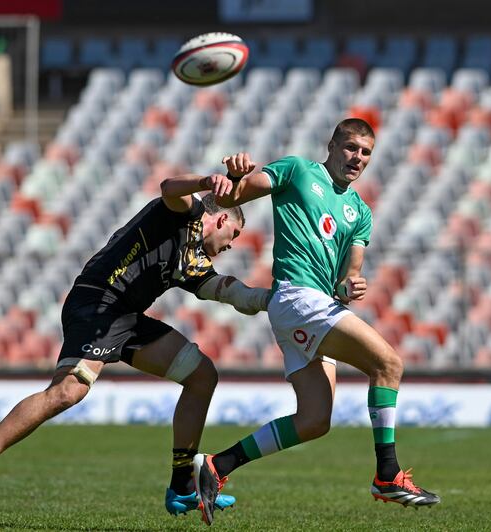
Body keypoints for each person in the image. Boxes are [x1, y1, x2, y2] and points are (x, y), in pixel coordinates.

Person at [0, 173, 272, 517]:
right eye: (233, 235)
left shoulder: (193, 264)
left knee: (202, 375)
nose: (231, 245)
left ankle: (181, 487)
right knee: (68, 391)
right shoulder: (183, 212)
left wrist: (269, 298)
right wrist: (207, 180)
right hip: (98, 302)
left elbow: (230, 292)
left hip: (125, 317)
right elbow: (168, 189)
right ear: (221, 218)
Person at [186, 118, 440, 525]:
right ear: (333, 145)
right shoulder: (298, 171)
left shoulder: (360, 212)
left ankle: (218, 464)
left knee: (314, 421)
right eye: (351, 147)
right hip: (297, 297)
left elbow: (348, 275)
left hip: (315, 304)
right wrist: (235, 177)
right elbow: (236, 195)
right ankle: (388, 474)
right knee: (389, 365)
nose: (357, 158)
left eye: (365, 152)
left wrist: (349, 287)